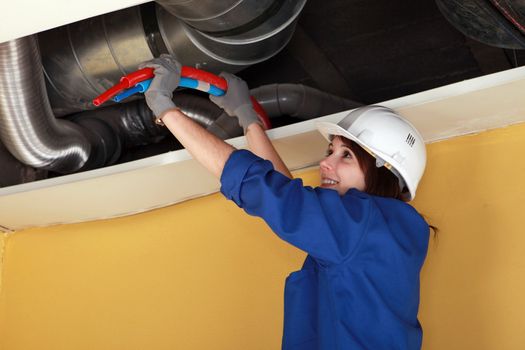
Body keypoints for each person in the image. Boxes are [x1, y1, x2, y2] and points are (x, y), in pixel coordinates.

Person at [140, 55, 430, 350]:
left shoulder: (365, 226)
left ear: (385, 172)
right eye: (330, 151)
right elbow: (286, 195)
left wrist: (166, 109)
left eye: (346, 156)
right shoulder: (378, 233)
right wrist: (248, 118)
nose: (325, 163)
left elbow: (264, 188)